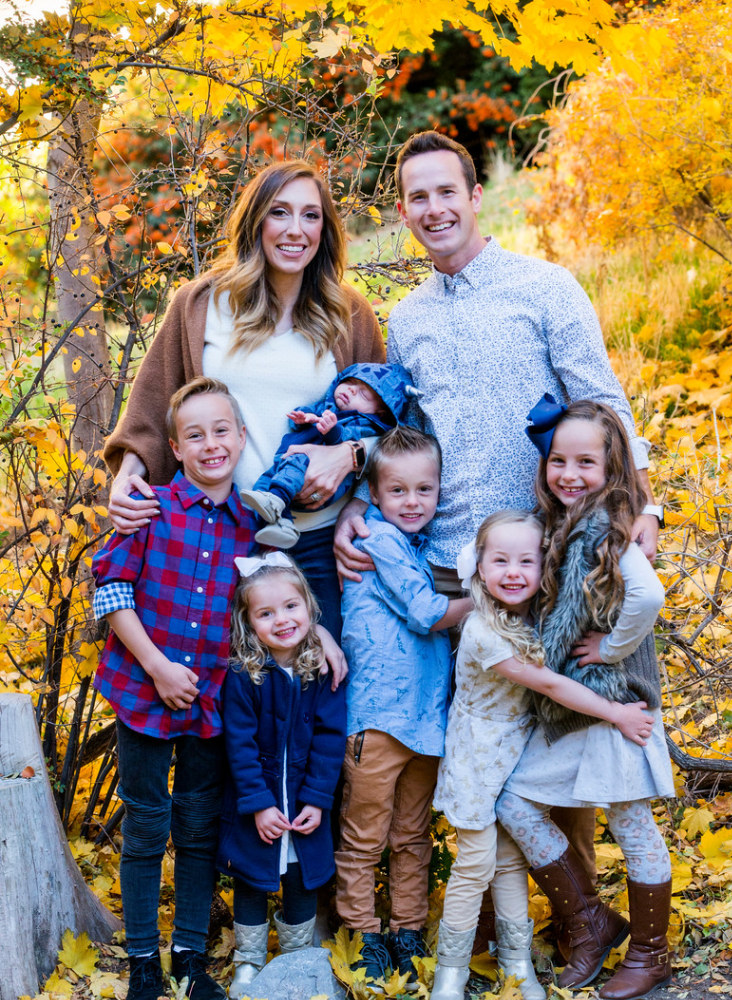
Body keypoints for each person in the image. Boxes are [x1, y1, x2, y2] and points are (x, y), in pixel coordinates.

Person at [334, 130, 664, 876]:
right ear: (404, 210)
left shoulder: (546, 288)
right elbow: (404, 437)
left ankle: (569, 923)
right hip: (452, 563)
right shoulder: (409, 319)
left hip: (544, 557)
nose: (434, 208)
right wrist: (361, 504)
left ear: (475, 196)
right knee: (476, 744)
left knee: (558, 735)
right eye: (418, 197)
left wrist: (644, 505)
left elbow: (602, 404)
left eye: (447, 191)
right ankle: (487, 914)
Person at [105, 159, 385, 637]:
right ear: (255, 220)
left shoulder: (350, 314)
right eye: (280, 212)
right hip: (213, 532)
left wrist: (351, 454)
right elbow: (151, 415)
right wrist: (126, 482)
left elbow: (390, 428)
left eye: (311, 215)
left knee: (317, 690)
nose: (296, 230)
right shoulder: (198, 305)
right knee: (221, 690)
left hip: (315, 539)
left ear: (326, 228)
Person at [429, 510, 656, 1000]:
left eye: (526, 561)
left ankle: (517, 964)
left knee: (511, 863)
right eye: (500, 561)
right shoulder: (485, 631)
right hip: (477, 763)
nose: (514, 572)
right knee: (475, 866)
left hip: (514, 757)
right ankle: (452, 971)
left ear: (542, 568)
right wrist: (616, 713)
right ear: (479, 569)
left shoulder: (528, 618)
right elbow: (551, 684)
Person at [496, 400, 674, 1000]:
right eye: (558, 461)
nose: (569, 473)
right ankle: (591, 921)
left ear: (613, 467)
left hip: (615, 703)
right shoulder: (567, 525)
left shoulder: (607, 526)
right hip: (578, 709)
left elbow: (647, 597)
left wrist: (614, 648)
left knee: (631, 824)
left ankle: (651, 952)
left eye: (585, 463)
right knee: (515, 799)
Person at [91, 378, 258, 1000]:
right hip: (143, 692)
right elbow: (111, 593)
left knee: (195, 829)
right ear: (175, 448)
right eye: (195, 435)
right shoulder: (150, 510)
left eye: (223, 430)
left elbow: (271, 608)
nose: (211, 444)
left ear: (242, 438)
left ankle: (188, 957)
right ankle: (141, 965)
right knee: (146, 826)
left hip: (213, 701)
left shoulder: (254, 528)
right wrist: (158, 666)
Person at [336, 426, 472, 986]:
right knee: (365, 833)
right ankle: (362, 934)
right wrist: (483, 600)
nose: (412, 503)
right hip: (378, 719)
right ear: (374, 493)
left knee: (413, 834)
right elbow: (423, 611)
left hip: (425, 721)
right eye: (397, 491)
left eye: (424, 490)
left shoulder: (420, 545)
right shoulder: (379, 541)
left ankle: (407, 930)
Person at [218, 554, 345, 999]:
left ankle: (295, 963)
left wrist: (316, 799)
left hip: (305, 804)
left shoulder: (322, 671)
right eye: (266, 613)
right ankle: (249, 964)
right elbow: (239, 744)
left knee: (301, 880)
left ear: (309, 607)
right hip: (259, 803)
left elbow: (331, 740)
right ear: (249, 623)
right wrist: (258, 804)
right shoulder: (243, 675)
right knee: (252, 878)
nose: (282, 620)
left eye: (291, 607)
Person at [242, 362, 412, 549]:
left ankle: (277, 504)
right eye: (350, 382)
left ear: (380, 411)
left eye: (363, 393)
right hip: (285, 465)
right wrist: (304, 418)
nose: (352, 391)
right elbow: (311, 415)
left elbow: (346, 439)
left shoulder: (364, 423)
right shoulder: (329, 406)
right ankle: (282, 526)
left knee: (294, 467)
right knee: (263, 487)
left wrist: (332, 431)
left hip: (312, 472)